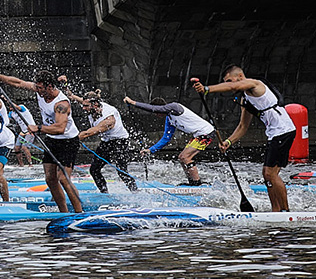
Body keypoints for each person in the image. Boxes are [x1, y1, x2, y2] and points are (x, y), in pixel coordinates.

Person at [194, 66, 297, 211]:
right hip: (274, 134)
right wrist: (228, 142)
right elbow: (243, 126)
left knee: (270, 174)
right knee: (267, 175)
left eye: (229, 79)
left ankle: (286, 211)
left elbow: (232, 86)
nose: (229, 83)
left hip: (283, 131)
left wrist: (206, 89)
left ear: (240, 76)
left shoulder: (254, 84)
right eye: (226, 81)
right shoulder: (246, 99)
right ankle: (276, 210)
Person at [0, 69, 83, 213]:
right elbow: (18, 82)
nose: (38, 90)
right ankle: (64, 213)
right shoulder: (39, 89)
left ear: (50, 86)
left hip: (68, 141)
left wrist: (39, 128)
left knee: (64, 179)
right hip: (52, 140)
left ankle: (79, 213)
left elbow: (60, 128)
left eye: (41, 88)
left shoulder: (61, 103)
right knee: (50, 179)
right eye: (37, 87)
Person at [123, 95, 214, 185]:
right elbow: (166, 139)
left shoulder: (175, 107)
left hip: (206, 133)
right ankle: (191, 182)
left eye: (158, 112)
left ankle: (197, 183)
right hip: (198, 135)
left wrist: (133, 103)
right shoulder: (169, 119)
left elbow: (154, 108)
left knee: (185, 157)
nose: (157, 115)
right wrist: (150, 150)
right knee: (181, 158)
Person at [73, 90, 137, 192]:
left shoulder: (109, 118)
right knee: (94, 170)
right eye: (83, 105)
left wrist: (71, 139)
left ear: (95, 104)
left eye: (86, 106)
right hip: (106, 142)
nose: (83, 108)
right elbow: (82, 100)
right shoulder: (93, 106)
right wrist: (71, 94)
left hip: (120, 141)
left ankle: (135, 192)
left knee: (121, 171)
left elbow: (89, 133)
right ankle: (104, 192)